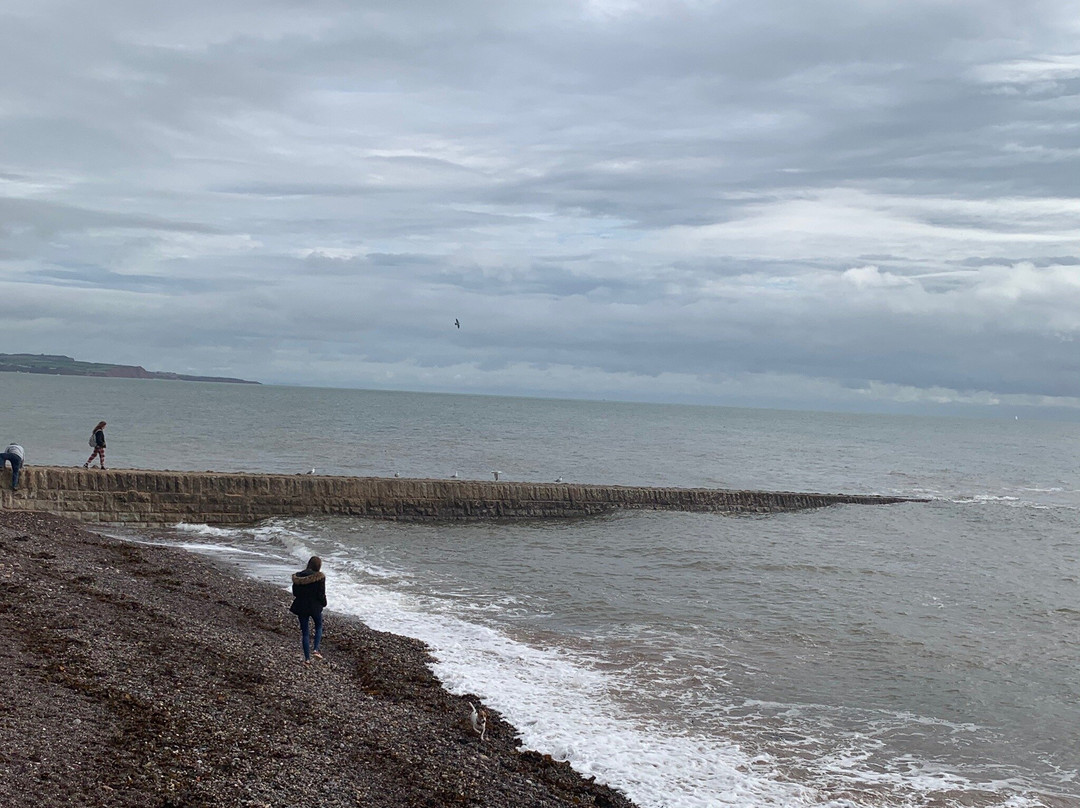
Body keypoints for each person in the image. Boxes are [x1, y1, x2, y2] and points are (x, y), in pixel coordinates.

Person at [290, 556, 327, 665]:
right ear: (318, 566)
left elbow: (295, 593)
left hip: (301, 606)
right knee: (319, 626)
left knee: (305, 633)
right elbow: (321, 594)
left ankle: (307, 659)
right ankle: (315, 649)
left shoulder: (298, 577)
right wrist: (324, 603)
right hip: (315, 606)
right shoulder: (319, 577)